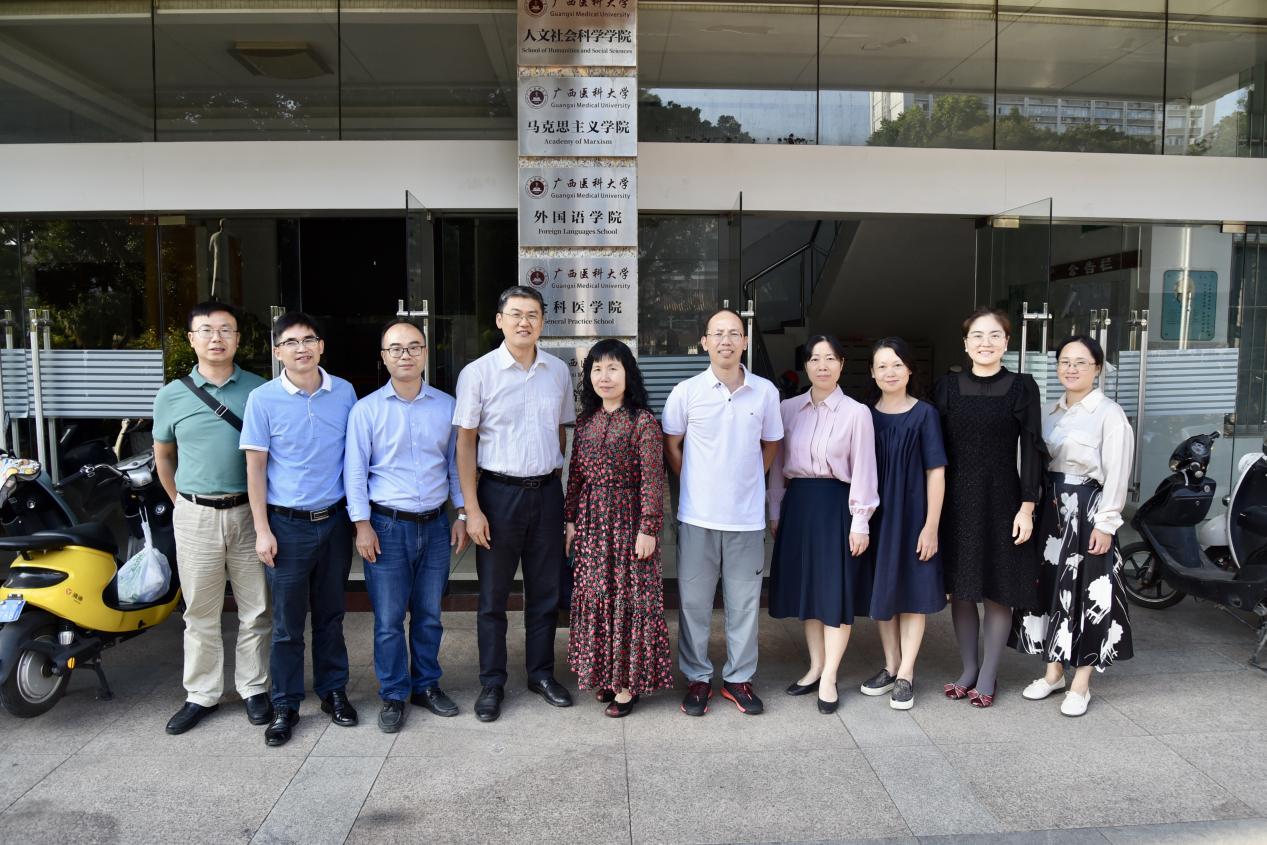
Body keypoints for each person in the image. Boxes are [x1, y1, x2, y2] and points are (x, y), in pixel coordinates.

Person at [454, 285, 576, 723]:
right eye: (517, 314)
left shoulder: (557, 371)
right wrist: (471, 509)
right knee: (493, 597)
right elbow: (465, 444)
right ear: (500, 320)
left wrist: (558, 488)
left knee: (545, 593)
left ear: (542, 322)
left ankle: (541, 674)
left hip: (546, 494)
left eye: (533, 315)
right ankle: (492, 682)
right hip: (497, 495)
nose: (525, 322)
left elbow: (561, 431)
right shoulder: (478, 373)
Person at [345, 319, 469, 733]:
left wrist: (462, 514)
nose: (405, 355)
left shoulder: (447, 406)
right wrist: (362, 525)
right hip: (386, 526)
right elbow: (354, 472)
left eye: (414, 346)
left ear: (425, 353)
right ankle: (394, 693)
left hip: (435, 525)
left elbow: (455, 466)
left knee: (430, 615)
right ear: (383, 357)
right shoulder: (366, 410)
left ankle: (426, 685)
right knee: (388, 619)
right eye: (396, 348)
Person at [241, 312, 359, 746]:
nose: (301, 348)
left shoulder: (344, 392)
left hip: (334, 521)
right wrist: (262, 529)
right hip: (286, 526)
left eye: (309, 340)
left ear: (321, 346)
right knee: (288, 624)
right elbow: (255, 469)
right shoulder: (262, 399)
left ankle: (333, 691)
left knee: (331, 615)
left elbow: (354, 458)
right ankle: (285, 704)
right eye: (290, 342)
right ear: (278, 352)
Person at [153, 301, 270, 735]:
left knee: (256, 609)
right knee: (200, 611)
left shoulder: (260, 390)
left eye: (225, 330)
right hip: (195, 514)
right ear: (191, 339)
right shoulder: (171, 395)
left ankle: (254, 688)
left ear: (238, 339)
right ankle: (201, 693)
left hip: (249, 514)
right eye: (206, 330)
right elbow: (163, 457)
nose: (216, 338)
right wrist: (182, 503)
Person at [663, 308, 783, 716]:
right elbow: (671, 443)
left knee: (744, 604)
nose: (726, 341)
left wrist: (751, 477)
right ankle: (697, 678)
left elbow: (772, 443)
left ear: (745, 342)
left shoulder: (765, 392)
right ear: (704, 342)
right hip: (697, 517)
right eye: (718, 334)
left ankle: (738, 679)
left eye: (734, 333)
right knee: (694, 604)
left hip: (746, 520)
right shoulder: (686, 392)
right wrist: (694, 480)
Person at [1013, 335, 1134, 717]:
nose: (1071, 368)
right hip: (1050, 511)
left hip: (1087, 513)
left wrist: (1107, 524)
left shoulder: (1109, 414)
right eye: (1065, 361)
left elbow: (1117, 473)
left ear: (1097, 368)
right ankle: (1053, 673)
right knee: (1051, 589)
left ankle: (1081, 683)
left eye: (1081, 362)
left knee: (1087, 595)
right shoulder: (1050, 412)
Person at [934, 308, 1045, 708]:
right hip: (956, 499)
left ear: (1006, 342)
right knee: (962, 590)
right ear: (965, 344)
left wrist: (1027, 507)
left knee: (999, 588)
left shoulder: (1022, 387)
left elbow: (1032, 448)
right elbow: (935, 450)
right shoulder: (947, 387)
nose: (986, 343)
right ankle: (968, 669)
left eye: (994, 335)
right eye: (977, 336)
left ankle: (988, 674)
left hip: (1003, 498)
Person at [767, 335, 878, 715]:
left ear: (842, 364)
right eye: (815, 359)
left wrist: (860, 522)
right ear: (806, 366)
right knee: (808, 593)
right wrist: (775, 510)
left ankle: (830, 675)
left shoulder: (856, 413)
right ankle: (815, 667)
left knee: (834, 593)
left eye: (830, 359)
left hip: (836, 507)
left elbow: (864, 469)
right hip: (799, 505)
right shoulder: (787, 409)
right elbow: (777, 466)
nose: (822, 366)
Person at [564, 339, 674, 717]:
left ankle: (627, 684)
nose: (604, 377)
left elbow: (653, 479)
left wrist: (649, 528)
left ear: (628, 374)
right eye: (597, 369)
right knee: (598, 597)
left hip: (629, 520)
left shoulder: (642, 422)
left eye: (613, 368)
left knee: (629, 601)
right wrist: (570, 520)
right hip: (592, 523)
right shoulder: (585, 422)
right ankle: (606, 676)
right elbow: (576, 477)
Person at [859, 337, 947, 711]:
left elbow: (936, 472)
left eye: (897, 364)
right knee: (884, 591)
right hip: (877, 516)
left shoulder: (925, 414)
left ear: (910, 369)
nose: (890, 372)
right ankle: (891, 664)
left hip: (913, 516)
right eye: (882, 366)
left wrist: (931, 526)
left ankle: (907, 673)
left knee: (912, 594)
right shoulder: (864, 415)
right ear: (872, 373)